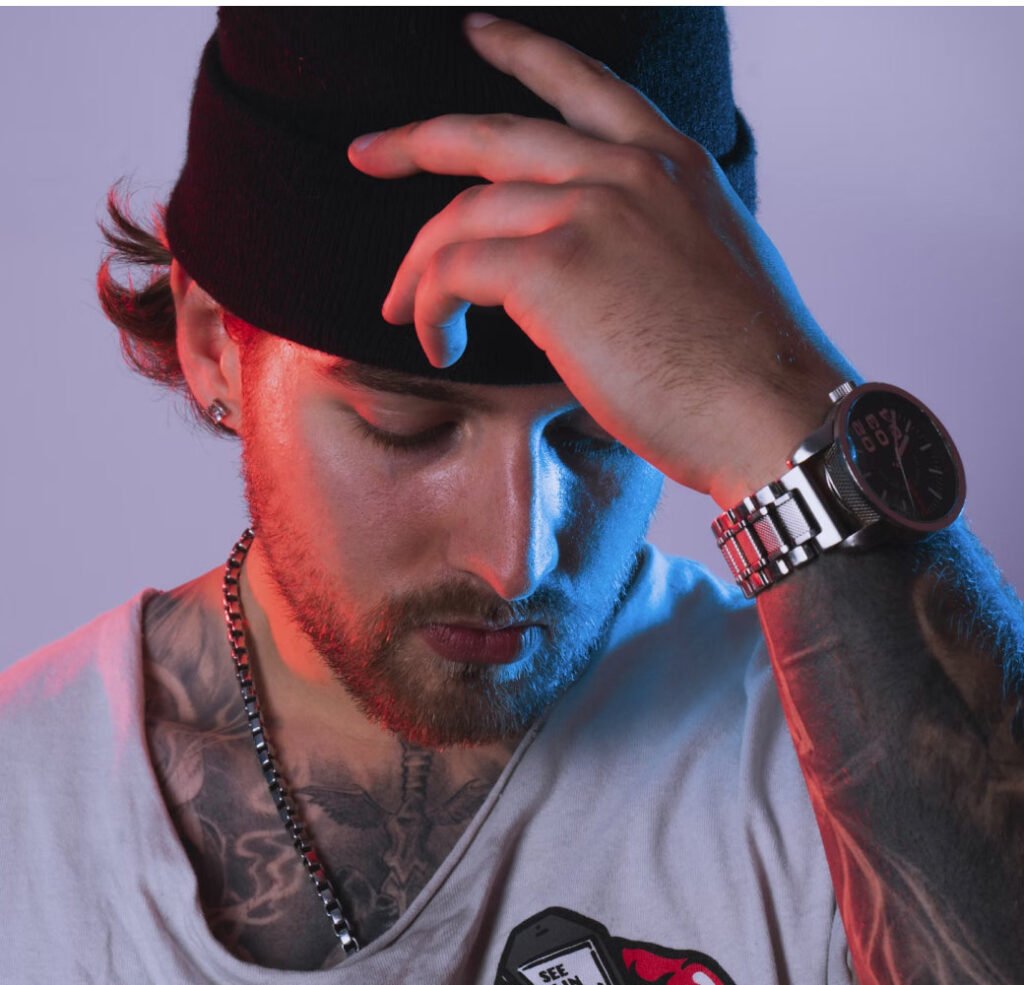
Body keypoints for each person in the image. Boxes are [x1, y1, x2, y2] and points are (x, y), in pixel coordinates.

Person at [2, 9, 1022, 984]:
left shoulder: (837, 764)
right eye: (407, 424)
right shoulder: (28, 797)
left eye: (599, 432)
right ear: (211, 345)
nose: (515, 557)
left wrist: (792, 414)